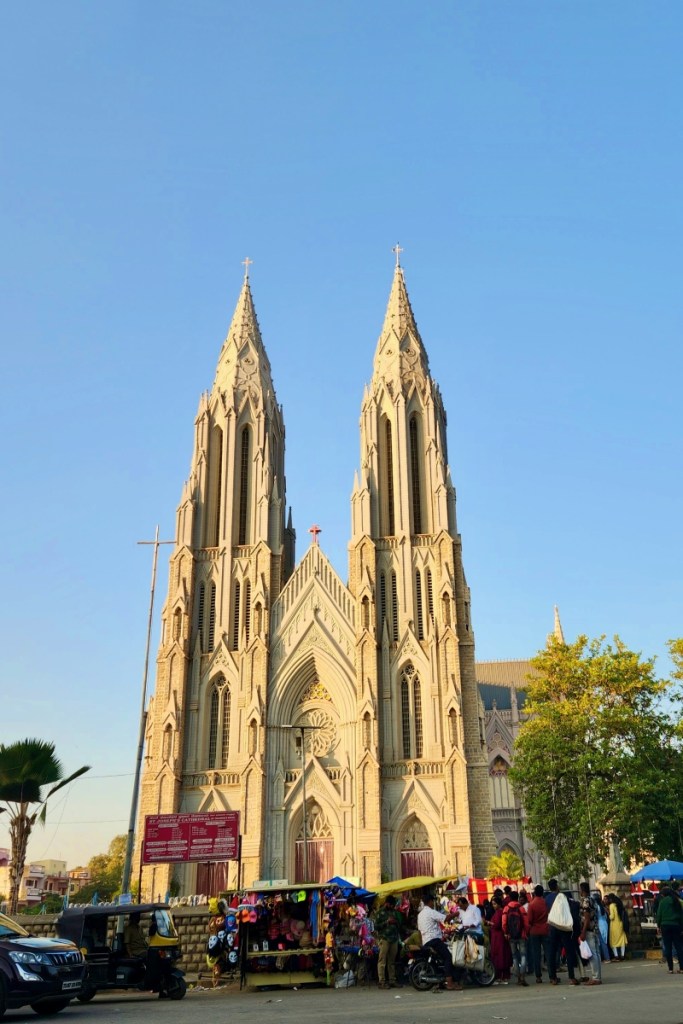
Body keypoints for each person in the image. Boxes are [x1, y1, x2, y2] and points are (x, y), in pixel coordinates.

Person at [417, 893, 462, 991]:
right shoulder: (431, 912)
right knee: (448, 957)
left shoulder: (420, 915)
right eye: (432, 901)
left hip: (426, 941)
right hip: (434, 940)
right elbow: (445, 919)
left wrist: (422, 943)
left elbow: (420, 931)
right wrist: (457, 913)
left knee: (439, 959)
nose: (433, 903)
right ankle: (450, 983)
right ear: (430, 902)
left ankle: (440, 982)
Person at [374, 895, 403, 989]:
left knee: (392, 961)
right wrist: (387, 922)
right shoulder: (380, 912)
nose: (392, 907)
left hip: (394, 939)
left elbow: (399, 924)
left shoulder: (394, 912)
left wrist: (396, 922)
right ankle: (381, 981)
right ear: (387, 903)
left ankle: (392, 980)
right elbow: (376, 927)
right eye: (391, 905)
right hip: (384, 938)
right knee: (382, 960)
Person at [502, 891, 528, 986]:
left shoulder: (506, 908)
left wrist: (506, 932)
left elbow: (504, 923)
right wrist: (526, 931)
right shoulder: (521, 908)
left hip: (511, 935)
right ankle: (522, 976)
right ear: (517, 898)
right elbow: (526, 922)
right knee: (523, 955)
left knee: (514, 956)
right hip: (521, 935)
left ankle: (518, 978)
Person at [655, 886, 683, 974]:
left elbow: (659, 915)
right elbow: (681, 915)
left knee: (668, 947)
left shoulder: (662, 902)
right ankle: (682, 968)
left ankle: (670, 969)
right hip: (676, 925)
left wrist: (658, 925)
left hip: (665, 926)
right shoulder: (676, 901)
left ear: (663, 895)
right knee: (679, 946)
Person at [578, 882, 601, 985]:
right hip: (595, 928)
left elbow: (586, 918)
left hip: (589, 929)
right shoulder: (592, 899)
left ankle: (595, 977)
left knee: (592, 954)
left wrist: (583, 931)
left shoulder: (586, 901)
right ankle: (598, 976)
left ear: (582, 891)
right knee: (596, 953)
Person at [526, 884, 549, 983]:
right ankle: (552, 975)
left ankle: (538, 976)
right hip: (545, 929)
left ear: (534, 893)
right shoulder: (545, 903)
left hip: (534, 931)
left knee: (536, 954)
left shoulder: (531, 904)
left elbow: (529, 920)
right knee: (548, 953)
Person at [489, 894, 512, 984]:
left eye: (494, 904)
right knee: (502, 955)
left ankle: (501, 977)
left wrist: (488, 923)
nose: (493, 906)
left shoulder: (499, 912)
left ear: (498, 904)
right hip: (498, 936)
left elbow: (497, 924)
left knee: (500, 956)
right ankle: (503, 976)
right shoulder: (500, 912)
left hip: (498, 937)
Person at [606, 893, 628, 961]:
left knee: (613, 941)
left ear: (610, 899)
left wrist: (608, 914)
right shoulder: (619, 905)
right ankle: (622, 955)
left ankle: (616, 956)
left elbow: (612, 917)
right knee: (622, 940)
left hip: (614, 925)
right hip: (620, 924)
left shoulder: (611, 905)